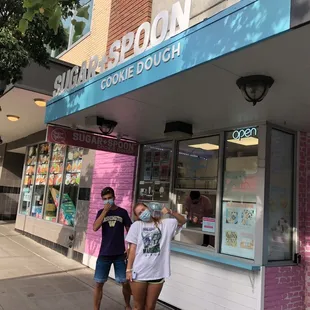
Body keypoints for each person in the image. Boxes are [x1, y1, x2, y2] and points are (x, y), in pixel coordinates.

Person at [125, 203, 186, 310]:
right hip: (139, 273)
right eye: (140, 213)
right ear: (138, 217)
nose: (143, 213)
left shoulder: (165, 224)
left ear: (148, 208)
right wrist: (129, 269)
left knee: (150, 306)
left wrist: (170, 212)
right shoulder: (137, 226)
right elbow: (132, 249)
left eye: (144, 209)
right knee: (138, 307)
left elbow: (183, 221)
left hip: (157, 273)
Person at [93, 187, 132, 310]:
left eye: (109, 198)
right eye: (105, 199)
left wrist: (130, 247)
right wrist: (105, 211)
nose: (107, 201)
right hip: (104, 253)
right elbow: (95, 227)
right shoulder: (101, 212)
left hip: (120, 254)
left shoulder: (122, 212)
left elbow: (130, 230)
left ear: (114, 197)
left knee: (125, 282)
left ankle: (127, 305)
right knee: (99, 283)